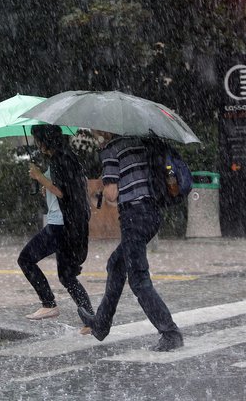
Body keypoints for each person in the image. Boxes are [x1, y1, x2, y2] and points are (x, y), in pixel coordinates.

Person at [78, 130, 184, 352]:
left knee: (138, 278)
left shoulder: (110, 149)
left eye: (95, 128)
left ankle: (170, 332)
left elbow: (111, 194)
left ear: (103, 129)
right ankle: (101, 324)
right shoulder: (140, 142)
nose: (94, 132)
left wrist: (104, 181)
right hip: (152, 215)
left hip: (133, 216)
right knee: (116, 264)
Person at [18, 124, 94, 333]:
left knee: (25, 259)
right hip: (69, 224)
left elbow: (63, 192)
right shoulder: (66, 157)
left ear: (45, 141)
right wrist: (47, 187)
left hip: (60, 224)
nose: (36, 144)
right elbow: (63, 189)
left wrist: (39, 177)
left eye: (37, 139)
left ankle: (48, 304)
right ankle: (90, 320)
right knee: (67, 275)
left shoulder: (61, 159)